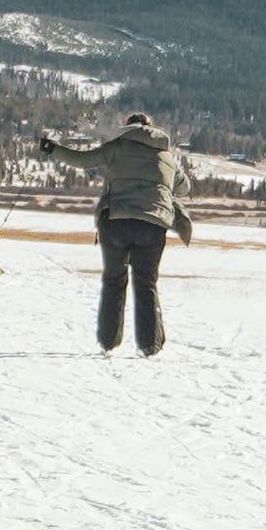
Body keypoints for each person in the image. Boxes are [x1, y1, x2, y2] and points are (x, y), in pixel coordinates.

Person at [88, 108, 195, 357]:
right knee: (146, 282)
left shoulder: (117, 151)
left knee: (113, 280)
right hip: (152, 224)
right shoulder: (164, 155)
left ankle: (107, 341)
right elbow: (184, 187)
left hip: (114, 221)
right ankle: (149, 345)